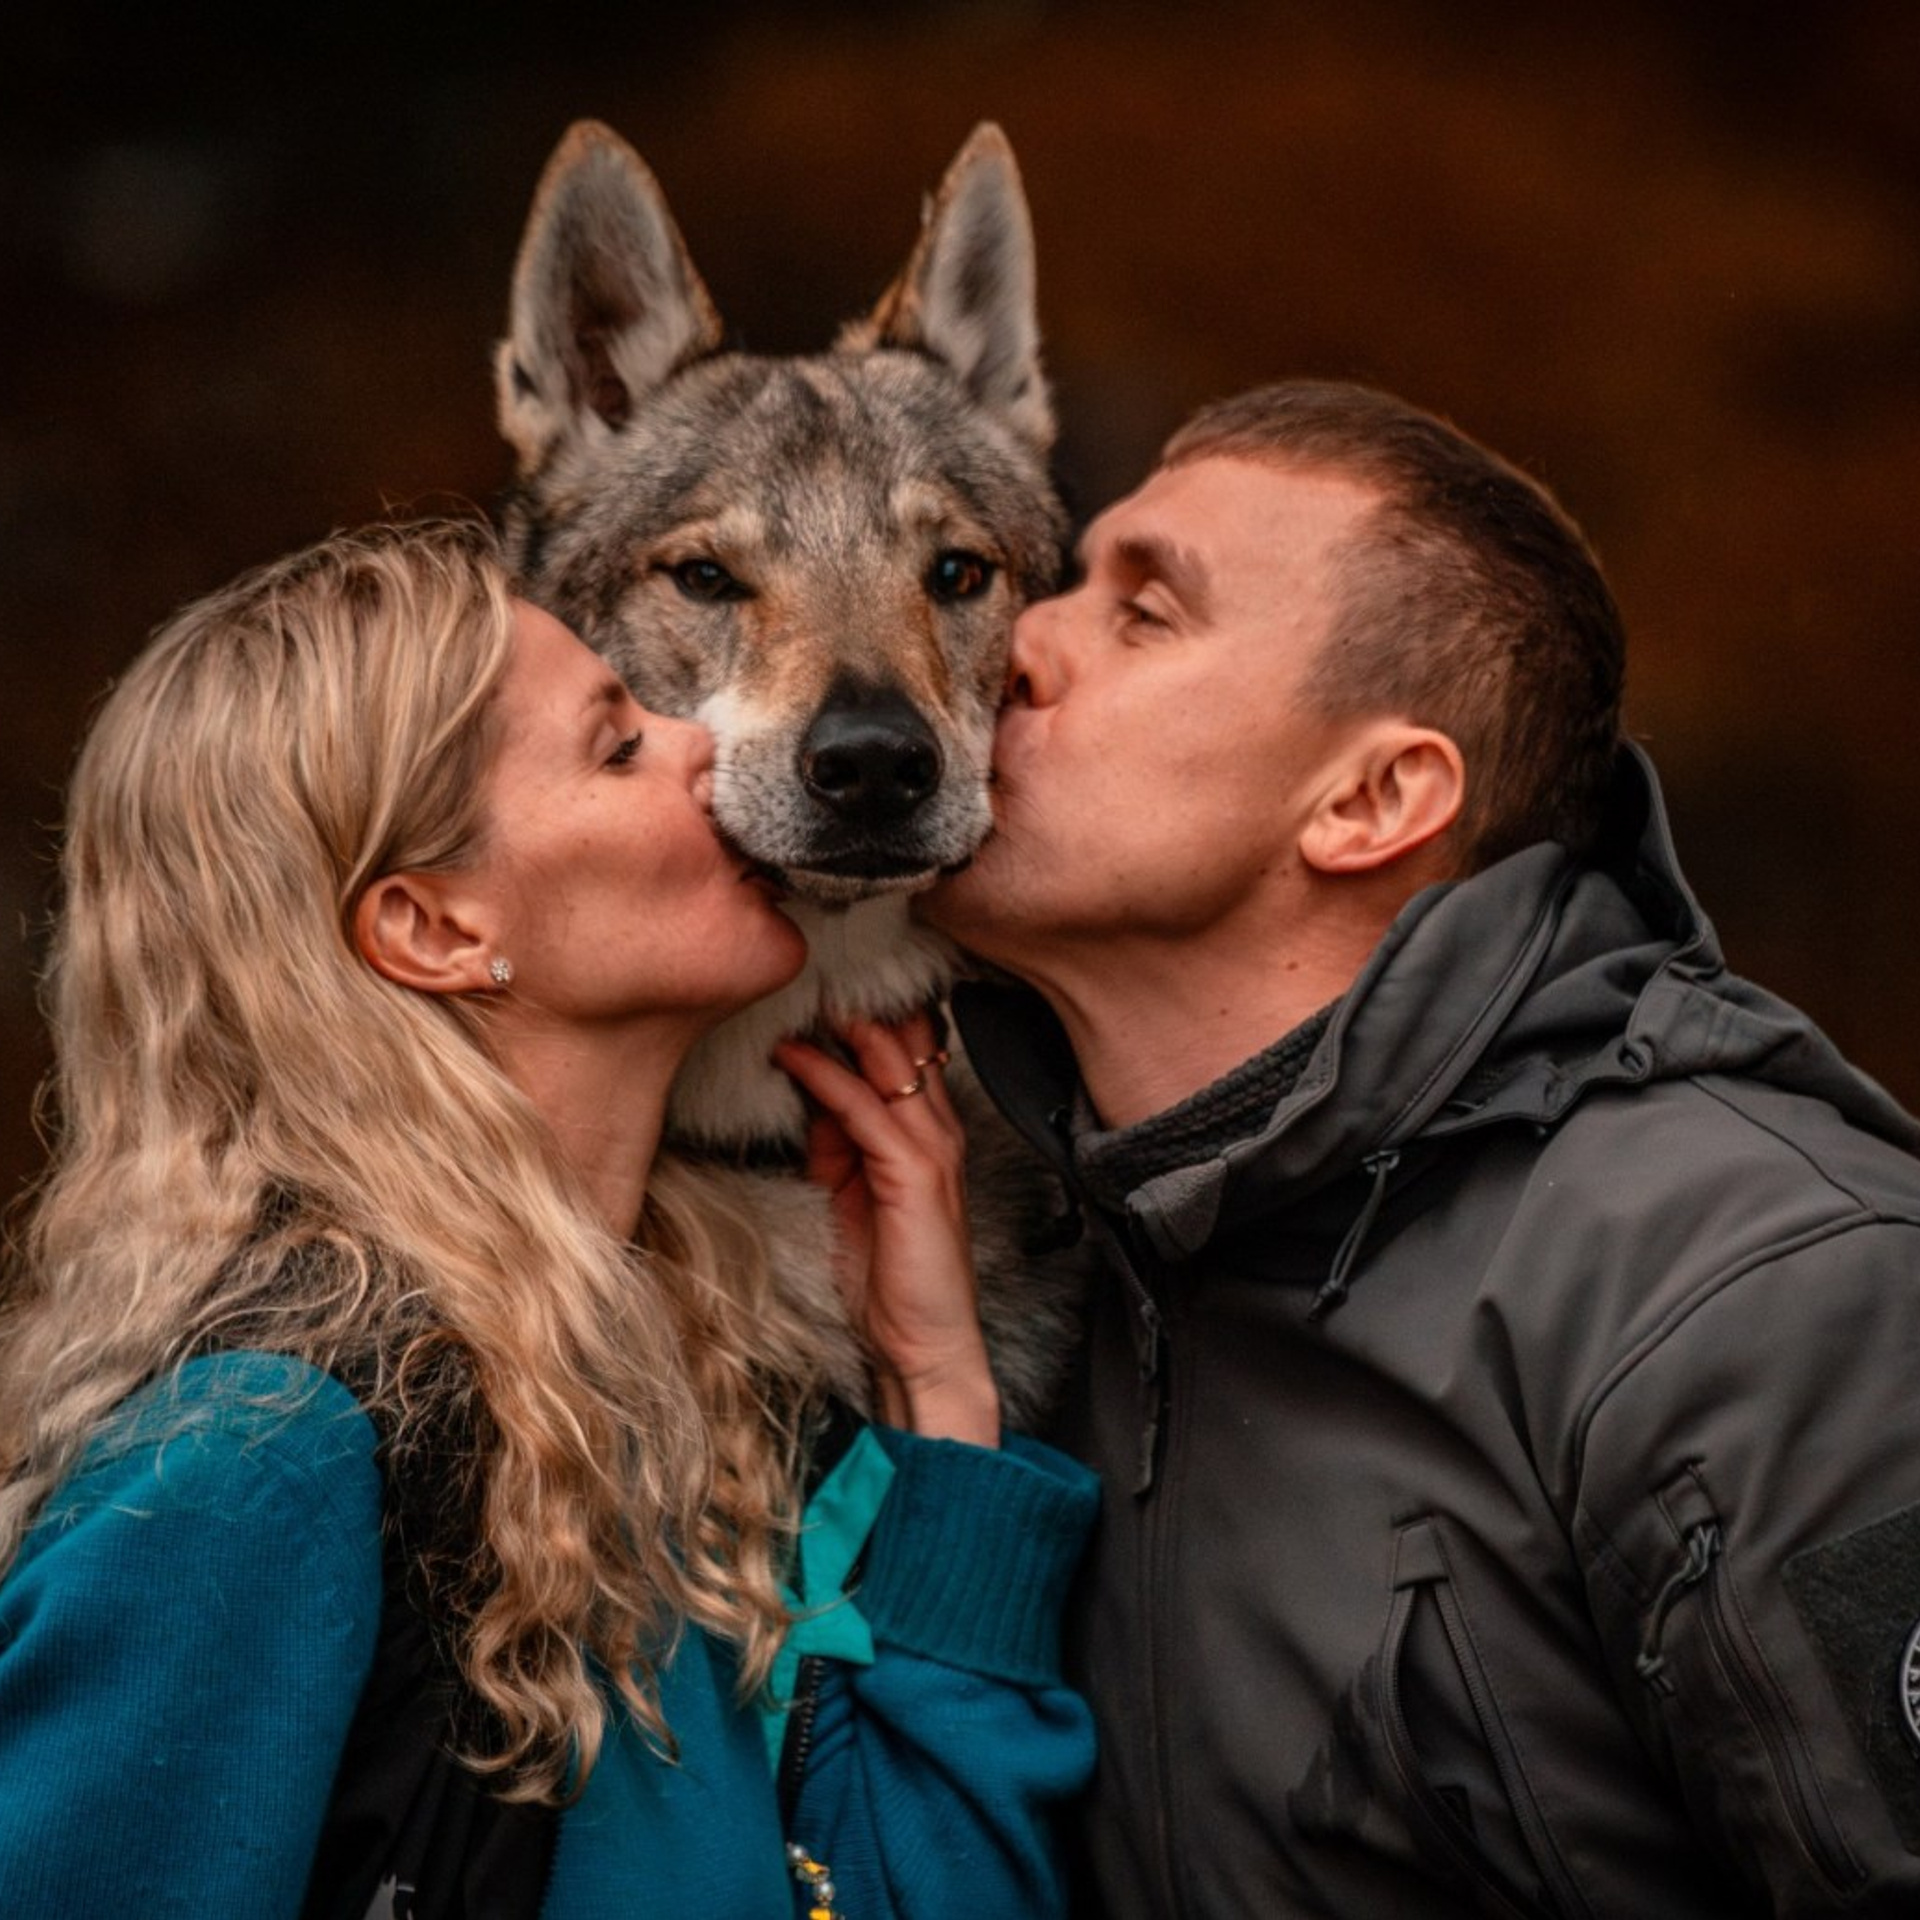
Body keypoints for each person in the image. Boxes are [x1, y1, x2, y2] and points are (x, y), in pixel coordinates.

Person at [920, 378, 1920, 1916]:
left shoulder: (1759, 1297)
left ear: (1373, 799)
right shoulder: (1050, 1259)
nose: (1013, 644)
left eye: (1143, 615)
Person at [0, 518, 1096, 1917]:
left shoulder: (682, 1390)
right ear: (438, 930)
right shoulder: (266, 1459)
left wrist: (938, 1397)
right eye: (620, 744)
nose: (706, 744)